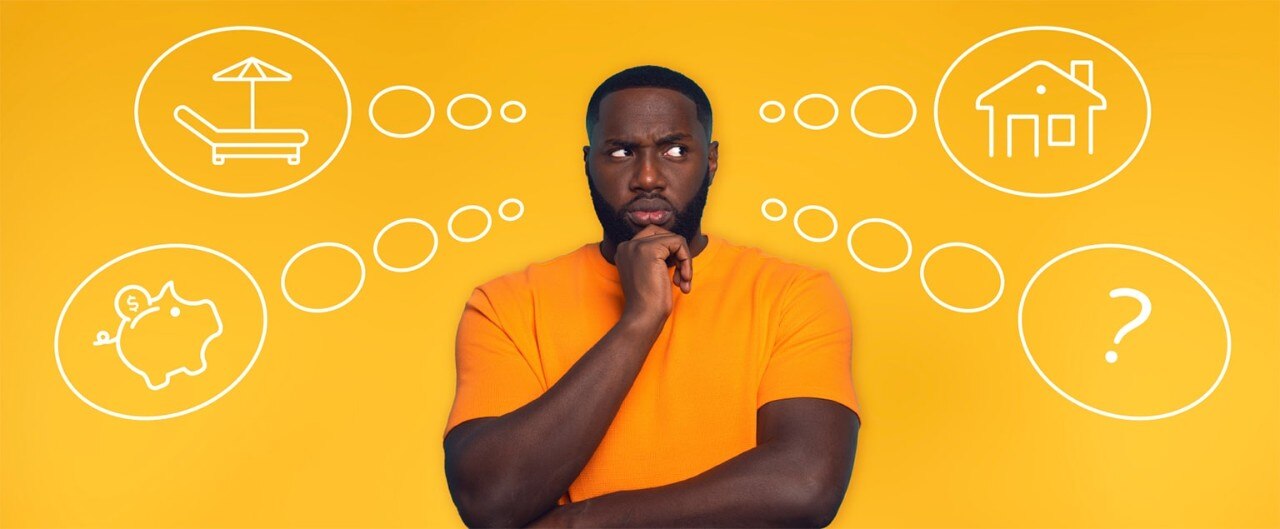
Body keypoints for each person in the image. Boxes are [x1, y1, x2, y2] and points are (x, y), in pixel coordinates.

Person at [443, 65, 861, 528]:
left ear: (711, 160)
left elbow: (803, 483)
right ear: (588, 163)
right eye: (621, 152)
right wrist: (639, 321)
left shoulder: (791, 293)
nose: (647, 177)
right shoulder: (507, 304)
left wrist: (581, 523)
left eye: (675, 150)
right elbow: (489, 499)